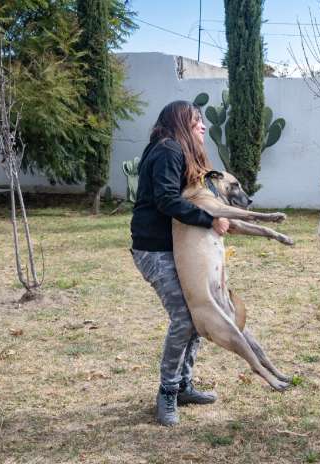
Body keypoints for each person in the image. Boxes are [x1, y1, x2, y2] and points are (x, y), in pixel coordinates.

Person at [130, 100, 230, 426]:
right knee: (185, 318)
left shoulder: (167, 149)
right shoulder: (168, 150)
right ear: (180, 122)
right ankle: (168, 392)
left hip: (169, 249)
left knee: (196, 312)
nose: (202, 126)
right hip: (154, 251)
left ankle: (184, 385)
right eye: (196, 121)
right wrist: (209, 219)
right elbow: (166, 199)